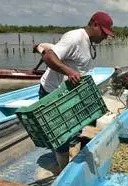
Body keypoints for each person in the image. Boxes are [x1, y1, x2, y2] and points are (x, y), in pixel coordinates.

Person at [38, 11, 114, 170]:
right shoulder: (75, 37)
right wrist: (69, 72)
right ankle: (62, 170)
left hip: (69, 92)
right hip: (53, 93)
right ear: (94, 24)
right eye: (104, 33)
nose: (105, 37)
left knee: (86, 121)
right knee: (61, 135)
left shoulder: (88, 41)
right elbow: (48, 56)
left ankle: (75, 151)